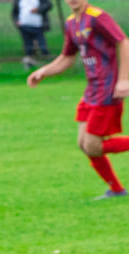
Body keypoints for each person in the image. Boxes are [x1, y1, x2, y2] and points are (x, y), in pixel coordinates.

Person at [27, 0, 129, 200]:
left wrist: (124, 79)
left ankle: (117, 190)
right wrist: (43, 72)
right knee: (84, 144)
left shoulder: (97, 17)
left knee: (93, 145)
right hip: (91, 89)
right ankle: (116, 190)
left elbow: (123, 41)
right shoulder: (71, 22)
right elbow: (67, 57)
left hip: (108, 88)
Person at [12, 0, 52, 69]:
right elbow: (14, 12)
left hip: (38, 25)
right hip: (24, 26)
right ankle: (30, 65)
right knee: (28, 46)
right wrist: (16, 21)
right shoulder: (18, 1)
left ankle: (48, 64)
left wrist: (38, 9)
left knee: (42, 46)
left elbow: (48, 5)